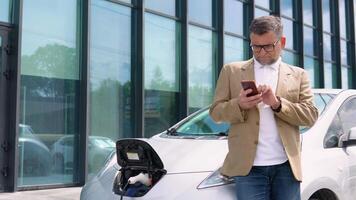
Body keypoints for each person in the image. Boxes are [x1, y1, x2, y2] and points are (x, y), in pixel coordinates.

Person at [209, 15, 318, 200]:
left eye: (268, 46)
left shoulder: (299, 75)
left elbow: (310, 116)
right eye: (256, 46)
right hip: (248, 169)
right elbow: (215, 113)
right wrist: (239, 104)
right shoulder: (232, 71)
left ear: (281, 42)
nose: (261, 52)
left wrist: (277, 104)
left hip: (286, 167)